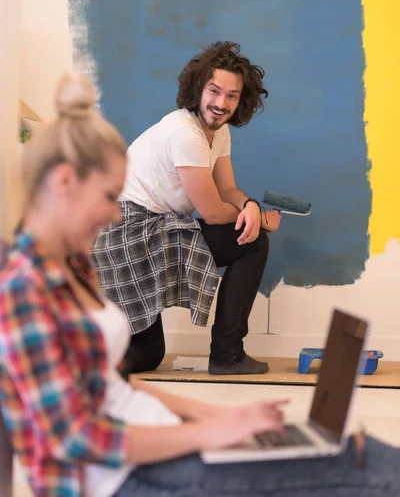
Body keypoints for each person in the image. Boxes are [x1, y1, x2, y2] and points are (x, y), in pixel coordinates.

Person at [0, 75, 399, 497]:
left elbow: (109, 382)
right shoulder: (24, 288)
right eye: (109, 196)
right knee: (363, 461)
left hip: (158, 444)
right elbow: (78, 440)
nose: (115, 214)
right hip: (127, 476)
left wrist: (212, 416)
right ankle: (227, 354)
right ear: (65, 183)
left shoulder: (70, 265)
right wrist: (206, 434)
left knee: (349, 448)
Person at [91, 41, 281, 377]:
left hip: (151, 228)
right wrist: (261, 220)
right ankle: (227, 355)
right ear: (198, 89)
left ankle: (86, 362)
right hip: (126, 234)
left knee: (148, 354)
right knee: (252, 241)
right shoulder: (185, 133)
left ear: (241, 100)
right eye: (214, 91)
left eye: (232, 95)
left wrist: (249, 205)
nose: (221, 103)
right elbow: (212, 214)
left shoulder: (217, 133)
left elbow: (227, 190)